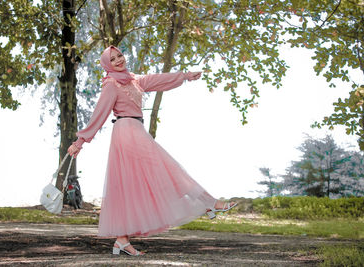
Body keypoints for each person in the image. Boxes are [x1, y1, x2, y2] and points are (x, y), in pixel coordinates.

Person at [67, 45, 237, 256]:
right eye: (113, 59)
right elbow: (100, 113)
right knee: (167, 169)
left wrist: (184, 76)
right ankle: (210, 203)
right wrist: (80, 141)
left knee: (129, 186)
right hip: (126, 131)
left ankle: (121, 240)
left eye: (120, 55)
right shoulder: (111, 84)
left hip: (135, 129)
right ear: (106, 64)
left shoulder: (134, 79)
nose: (119, 60)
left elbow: (160, 79)